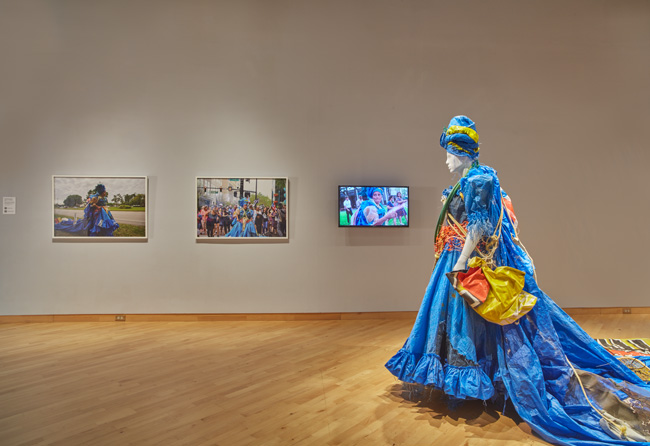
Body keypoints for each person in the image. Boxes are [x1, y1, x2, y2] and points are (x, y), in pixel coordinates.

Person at [385, 116, 650, 445]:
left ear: (462, 152)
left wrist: (464, 262)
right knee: (459, 320)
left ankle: (481, 380)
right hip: (452, 258)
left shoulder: (477, 179)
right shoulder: (476, 177)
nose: (446, 160)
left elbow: (479, 226)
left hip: (461, 260)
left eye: (449, 153)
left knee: (467, 324)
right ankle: (468, 380)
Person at [54, 184, 119, 236]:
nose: (105, 192)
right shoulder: (95, 197)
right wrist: (98, 207)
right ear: (102, 192)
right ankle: (64, 222)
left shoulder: (103, 198)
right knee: (96, 222)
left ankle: (102, 231)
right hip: (97, 213)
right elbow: (91, 204)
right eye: (104, 191)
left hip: (103, 212)